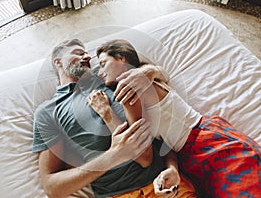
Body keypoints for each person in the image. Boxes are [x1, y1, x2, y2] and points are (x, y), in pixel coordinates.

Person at [89, 39, 261, 197]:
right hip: (207, 137)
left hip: (205, 145)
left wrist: (106, 113)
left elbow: (143, 156)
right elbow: (166, 143)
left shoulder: (130, 88)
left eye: (103, 64)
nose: (100, 73)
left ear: (121, 58)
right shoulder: (149, 76)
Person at [32, 39, 194, 198]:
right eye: (78, 53)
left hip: (165, 185)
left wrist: (151, 71)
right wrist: (114, 155)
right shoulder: (48, 111)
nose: (87, 57)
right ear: (58, 62)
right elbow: (52, 188)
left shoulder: (112, 79)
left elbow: (160, 140)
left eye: (87, 54)